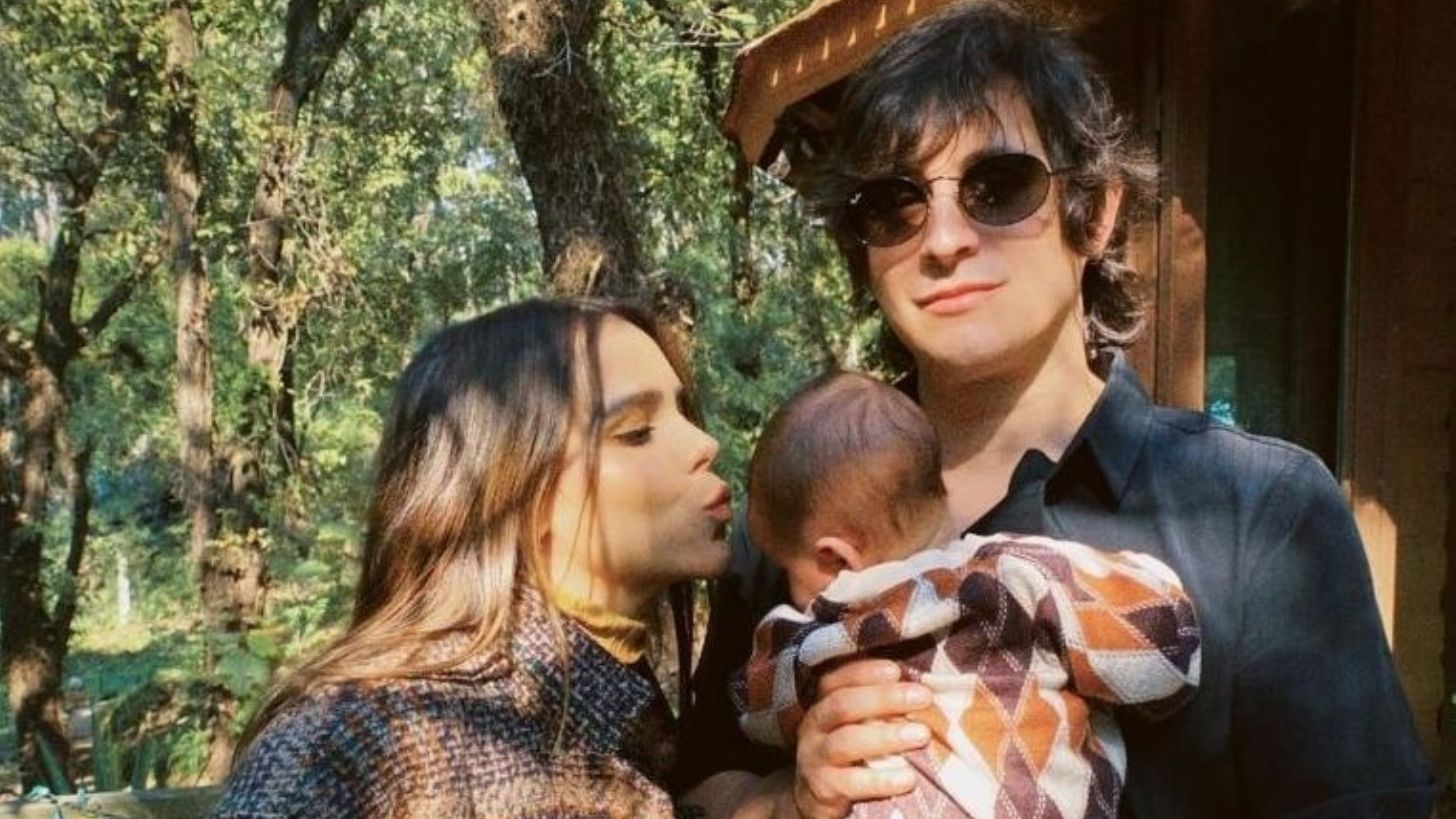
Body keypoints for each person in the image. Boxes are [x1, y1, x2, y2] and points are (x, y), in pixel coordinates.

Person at [678, 2, 1436, 817]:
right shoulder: (799, 514)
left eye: (998, 186)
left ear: (1096, 211)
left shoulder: (1263, 515)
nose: (943, 239)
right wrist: (787, 797)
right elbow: (698, 787)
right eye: (894, 202)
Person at [212, 298, 733, 818]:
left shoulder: (615, 706)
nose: (705, 443)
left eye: (683, 412)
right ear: (513, 490)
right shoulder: (354, 740)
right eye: (636, 432)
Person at [734, 371, 1200, 819]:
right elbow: (1163, 660)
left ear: (836, 557)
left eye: (787, 569)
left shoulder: (826, 632)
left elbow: (756, 711)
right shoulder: (1019, 574)